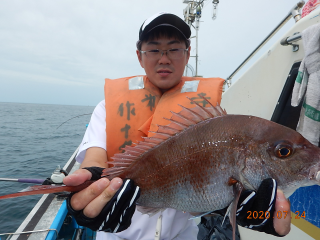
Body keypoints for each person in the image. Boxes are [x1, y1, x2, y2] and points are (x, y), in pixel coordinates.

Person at [63, 12, 291, 240]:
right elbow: (95, 159)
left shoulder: (211, 116)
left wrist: (237, 205)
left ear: (187, 53)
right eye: (153, 49)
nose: (164, 58)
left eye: (174, 49)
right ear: (140, 56)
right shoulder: (107, 108)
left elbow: (209, 187)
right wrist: (90, 184)